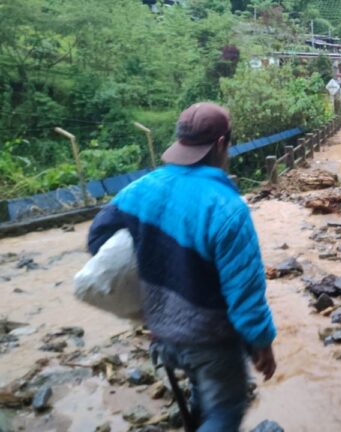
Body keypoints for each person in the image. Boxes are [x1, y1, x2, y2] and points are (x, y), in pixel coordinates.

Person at [87, 102, 277, 432]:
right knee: (226, 409)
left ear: (181, 142)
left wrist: (146, 285)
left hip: (162, 335)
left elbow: (98, 236)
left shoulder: (141, 189)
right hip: (210, 342)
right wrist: (262, 343)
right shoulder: (228, 208)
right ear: (221, 145)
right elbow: (245, 293)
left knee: (203, 392)